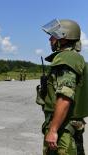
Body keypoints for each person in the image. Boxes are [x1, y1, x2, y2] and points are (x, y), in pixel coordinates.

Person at [36, 19, 88, 155]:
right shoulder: (74, 58)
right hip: (68, 126)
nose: (50, 39)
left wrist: (53, 130)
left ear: (63, 38)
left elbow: (65, 96)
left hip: (63, 129)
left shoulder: (66, 59)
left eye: (53, 36)